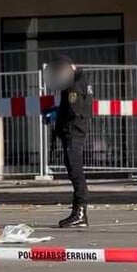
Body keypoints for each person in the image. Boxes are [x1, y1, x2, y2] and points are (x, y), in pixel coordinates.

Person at [44, 56, 92, 228]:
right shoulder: (79, 80)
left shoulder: (74, 84)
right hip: (75, 131)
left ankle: (80, 213)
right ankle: (78, 212)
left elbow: (74, 109)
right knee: (74, 171)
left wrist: (57, 113)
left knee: (75, 172)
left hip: (73, 132)